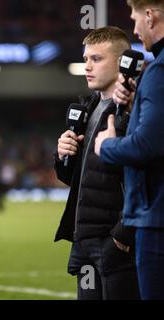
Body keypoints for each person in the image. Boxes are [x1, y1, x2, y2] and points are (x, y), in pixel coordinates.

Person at [54, 27, 140, 300]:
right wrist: (63, 156)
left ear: (120, 61)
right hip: (85, 240)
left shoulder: (136, 111)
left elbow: (146, 176)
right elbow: (78, 179)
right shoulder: (87, 108)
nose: (87, 66)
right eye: (85, 59)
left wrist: (121, 237)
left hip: (115, 242)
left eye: (96, 59)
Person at [95, 0, 164, 299]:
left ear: (150, 16)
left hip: (156, 219)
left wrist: (106, 145)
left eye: (135, 19)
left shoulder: (159, 71)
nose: (134, 30)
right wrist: (138, 105)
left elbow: (147, 145)